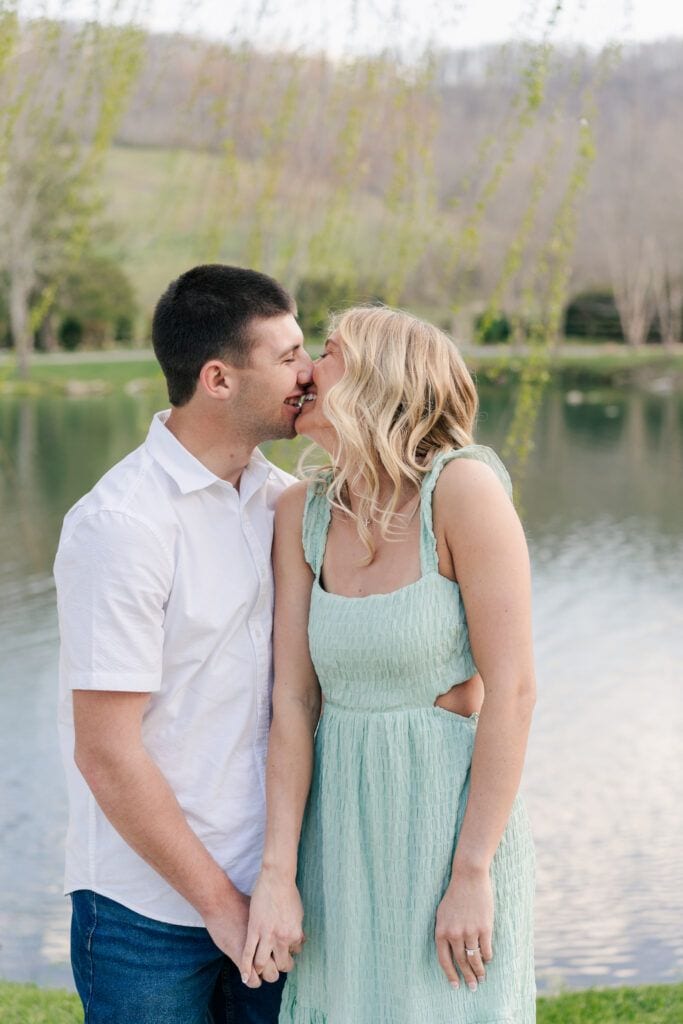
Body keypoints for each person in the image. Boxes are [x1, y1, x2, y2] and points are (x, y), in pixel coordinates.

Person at [242, 306, 537, 1023]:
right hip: (337, 830)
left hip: (449, 827)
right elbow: (293, 704)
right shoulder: (298, 514)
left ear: (380, 379)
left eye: (329, 353)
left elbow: (515, 692)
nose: (306, 368)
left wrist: (470, 872)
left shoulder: (462, 492)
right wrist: (278, 873)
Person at [53, 264, 313, 1024]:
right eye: (289, 356)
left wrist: (271, 883)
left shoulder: (281, 502)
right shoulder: (121, 526)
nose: (308, 374)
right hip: (146, 912)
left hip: (273, 892)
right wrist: (219, 908)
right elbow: (107, 751)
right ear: (217, 379)